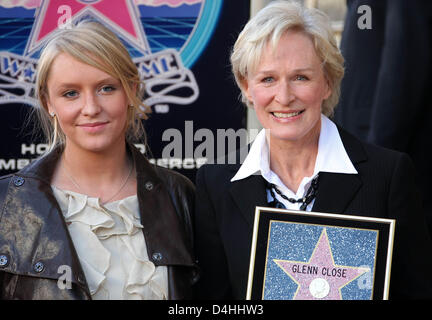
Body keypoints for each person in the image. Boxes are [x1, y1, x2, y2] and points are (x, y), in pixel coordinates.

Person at [193, 0, 432, 300]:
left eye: (300, 77)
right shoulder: (215, 185)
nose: (284, 96)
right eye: (268, 79)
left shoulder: (388, 176)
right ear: (246, 87)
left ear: (328, 82)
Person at [0, 21, 197, 300]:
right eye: (70, 93)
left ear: (131, 90)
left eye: (106, 88)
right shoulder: (7, 203)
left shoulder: (180, 195)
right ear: (48, 102)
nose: (91, 108)